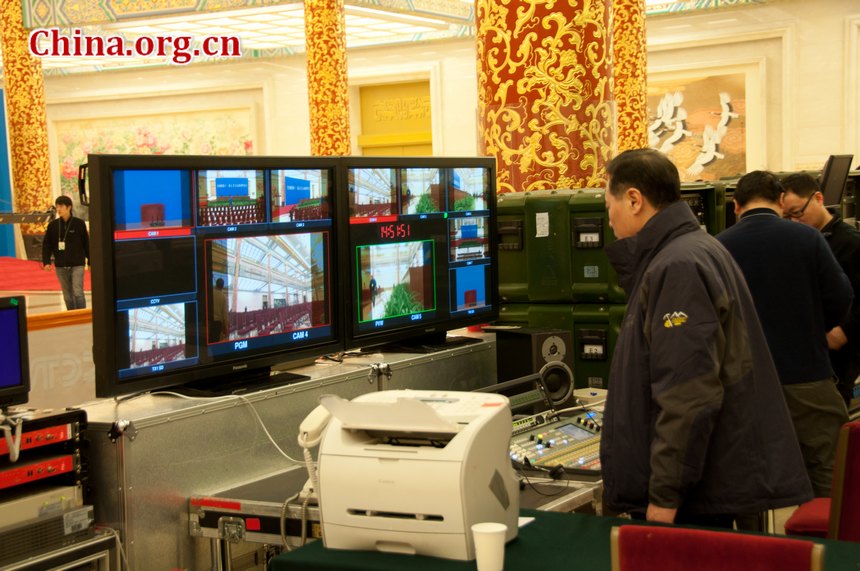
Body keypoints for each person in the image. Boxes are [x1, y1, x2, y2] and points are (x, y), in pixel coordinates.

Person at [599, 149, 811, 528]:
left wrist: (664, 497)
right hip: (702, 488)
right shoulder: (694, 249)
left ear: (634, 199)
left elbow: (688, 392)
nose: (608, 214)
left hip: (691, 502)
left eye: (608, 201)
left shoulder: (678, 265)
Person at [717, 170, 852, 497]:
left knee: (745, 473)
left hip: (744, 382)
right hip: (806, 374)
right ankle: (825, 545)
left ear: (736, 205)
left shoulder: (718, 247)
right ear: (780, 200)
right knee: (826, 466)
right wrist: (814, 329)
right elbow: (842, 296)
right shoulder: (808, 238)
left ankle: (754, 545)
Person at [781, 172, 860, 406]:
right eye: (786, 217)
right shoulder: (795, 243)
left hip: (841, 355)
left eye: (798, 212)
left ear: (818, 198)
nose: (794, 221)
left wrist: (843, 332)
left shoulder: (851, 244)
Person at [41, 195, 90, 310]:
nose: (58, 209)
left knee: (78, 293)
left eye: (61, 206)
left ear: (69, 207)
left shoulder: (79, 224)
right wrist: (46, 262)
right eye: (57, 206)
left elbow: (86, 244)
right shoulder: (53, 226)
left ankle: (82, 315)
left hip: (77, 264)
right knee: (67, 296)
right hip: (60, 265)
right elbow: (47, 245)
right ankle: (72, 317)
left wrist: (90, 262)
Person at [212, 278, 229, 342]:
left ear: (216, 284)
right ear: (222, 286)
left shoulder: (211, 293)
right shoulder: (223, 297)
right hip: (217, 323)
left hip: (210, 322)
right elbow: (225, 313)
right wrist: (226, 326)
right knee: (216, 341)